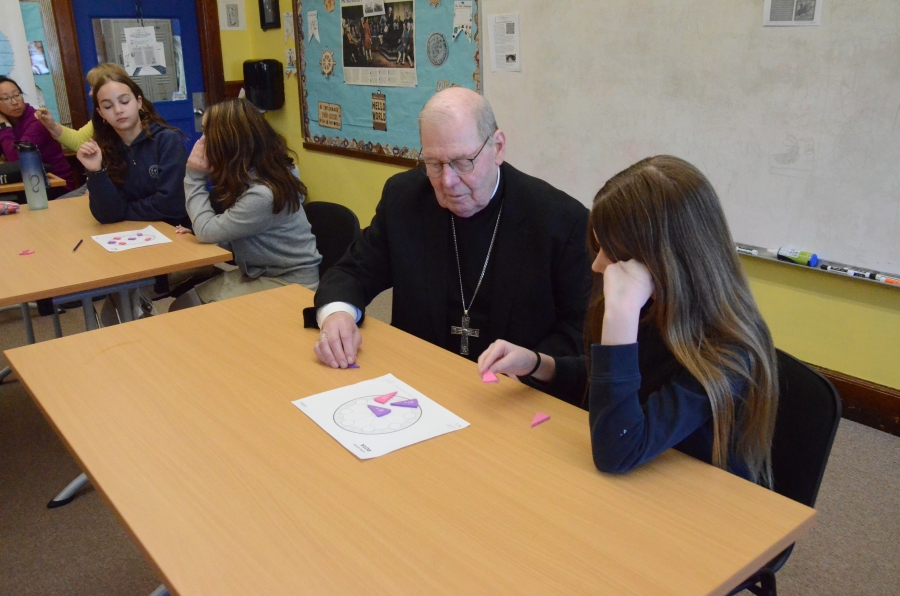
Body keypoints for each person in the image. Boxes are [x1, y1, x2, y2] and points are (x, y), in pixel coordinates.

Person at [477, 156, 779, 487]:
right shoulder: (656, 308)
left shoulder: (726, 354)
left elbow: (617, 449)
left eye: (614, 252)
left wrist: (620, 316)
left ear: (663, 263)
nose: (598, 264)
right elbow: (609, 385)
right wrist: (538, 364)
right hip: (640, 486)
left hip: (698, 508)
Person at [312, 87, 592, 384]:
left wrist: (527, 369)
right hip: (420, 379)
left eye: (462, 162)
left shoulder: (560, 220)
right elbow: (354, 270)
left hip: (512, 397)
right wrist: (337, 315)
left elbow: (581, 331)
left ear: (497, 147)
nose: (447, 181)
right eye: (434, 164)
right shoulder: (404, 198)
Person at [170, 99, 321, 309]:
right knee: (184, 304)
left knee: (188, 312)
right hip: (258, 271)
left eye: (207, 134)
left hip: (288, 282)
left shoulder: (262, 194)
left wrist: (194, 175)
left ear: (229, 141)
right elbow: (242, 236)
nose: (201, 142)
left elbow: (206, 230)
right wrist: (209, 234)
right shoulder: (251, 175)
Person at [77, 72, 188, 226]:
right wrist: (96, 172)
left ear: (138, 102)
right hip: (130, 232)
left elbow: (170, 204)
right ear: (101, 113)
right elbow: (106, 215)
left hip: (173, 231)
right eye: (108, 106)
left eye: (124, 101)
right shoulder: (104, 148)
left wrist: (122, 211)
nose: (118, 110)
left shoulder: (167, 140)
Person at [0, 75, 76, 196]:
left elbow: (18, 158)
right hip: (28, 185)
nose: (15, 102)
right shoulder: (7, 124)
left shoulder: (38, 120)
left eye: (17, 95)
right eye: (5, 98)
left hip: (55, 186)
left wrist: (3, 127)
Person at [33, 63, 129, 153]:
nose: (90, 93)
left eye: (93, 87)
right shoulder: (101, 117)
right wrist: (51, 125)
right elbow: (79, 141)